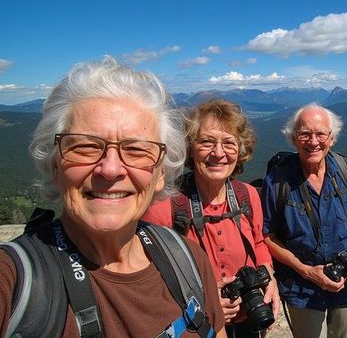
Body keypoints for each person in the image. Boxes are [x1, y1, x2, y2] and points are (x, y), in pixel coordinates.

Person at [0, 57, 227, 337]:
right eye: (85, 146)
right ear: (55, 165)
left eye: (136, 150)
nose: (110, 169)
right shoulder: (14, 283)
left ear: (160, 175)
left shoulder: (188, 259)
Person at [143, 98, 280, 338]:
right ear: (190, 148)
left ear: (241, 150)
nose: (218, 153)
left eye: (229, 143)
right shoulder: (164, 205)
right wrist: (203, 298)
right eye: (206, 142)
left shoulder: (248, 196)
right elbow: (148, 275)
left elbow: (259, 242)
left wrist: (268, 278)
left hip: (249, 313)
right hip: (195, 324)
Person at [261, 103, 347, 338]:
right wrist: (306, 270)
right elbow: (266, 237)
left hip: (346, 281)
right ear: (294, 139)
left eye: (320, 134)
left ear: (331, 139)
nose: (313, 142)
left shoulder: (345, 170)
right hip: (302, 287)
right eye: (304, 134)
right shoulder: (277, 181)